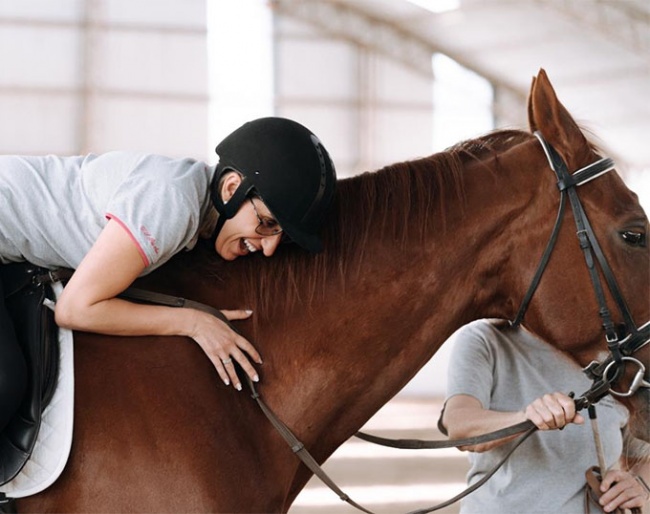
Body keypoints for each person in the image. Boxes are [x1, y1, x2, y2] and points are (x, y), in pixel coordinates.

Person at [0, 116, 337, 434]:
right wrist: (194, 322)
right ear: (232, 188)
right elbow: (75, 309)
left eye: (283, 237)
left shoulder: (192, 204)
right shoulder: (172, 202)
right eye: (267, 224)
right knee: (5, 380)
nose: (268, 249)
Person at [440, 319, 649, 514]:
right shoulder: (484, 338)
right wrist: (525, 418)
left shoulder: (618, 356)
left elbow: (642, 451)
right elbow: (460, 425)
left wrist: (641, 484)